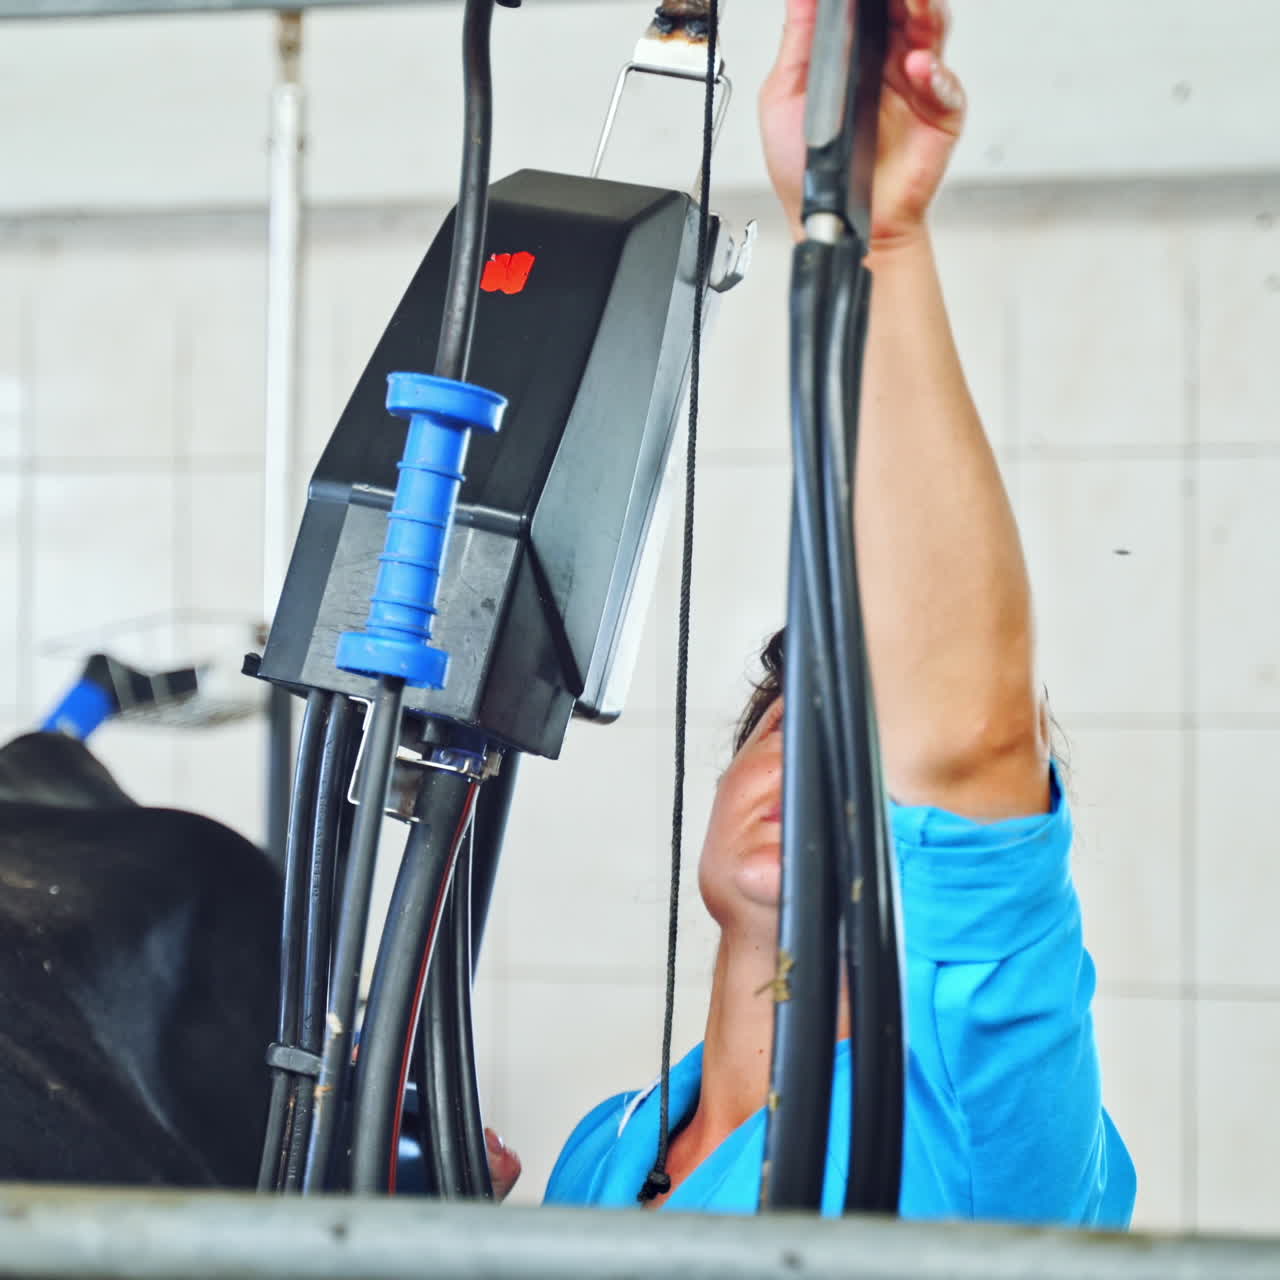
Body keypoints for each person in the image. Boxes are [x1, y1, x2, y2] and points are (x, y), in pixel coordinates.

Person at [531, 0, 1138, 1224]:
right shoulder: (604, 1150)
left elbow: (968, 747)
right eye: (780, 729)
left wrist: (879, 240)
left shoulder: (981, 1126)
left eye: (868, 762)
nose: (805, 764)